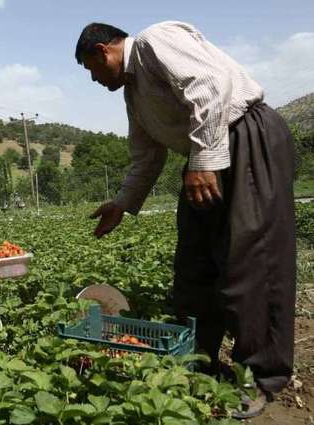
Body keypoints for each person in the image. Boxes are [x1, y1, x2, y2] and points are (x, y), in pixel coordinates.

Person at [76, 21, 295, 418]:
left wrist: (204, 161)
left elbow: (209, 85)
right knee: (193, 261)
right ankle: (198, 358)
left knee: (249, 260)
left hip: (244, 136)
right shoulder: (135, 93)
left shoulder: (153, 42)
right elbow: (147, 157)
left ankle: (261, 376)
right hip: (207, 153)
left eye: (90, 69)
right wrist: (122, 203)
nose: (93, 79)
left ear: (103, 50)